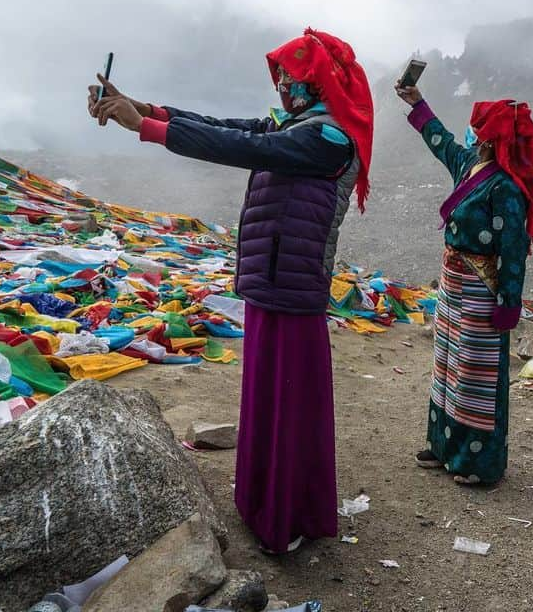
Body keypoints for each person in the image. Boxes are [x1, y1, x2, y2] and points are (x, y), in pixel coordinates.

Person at [88, 28, 373, 554]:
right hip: (271, 279)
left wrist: (144, 129)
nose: (283, 82)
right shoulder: (297, 124)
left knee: (288, 400)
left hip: (291, 283)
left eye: (292, 74)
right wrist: (139, 106)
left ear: (317, 79)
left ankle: (287, 518)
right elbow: (219, 125)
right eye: (281, 74)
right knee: (268, 396)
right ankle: (264, 504)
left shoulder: (328, 137)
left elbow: (240, 146)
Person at [394, 83, 533, 486]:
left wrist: (508, 304)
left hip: (481, 288)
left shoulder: (508, 188)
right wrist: (418, 103)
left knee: (475, 372)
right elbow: (441, 142)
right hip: (453, 283)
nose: (472, 136)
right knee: (447, 363)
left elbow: (513, 249)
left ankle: (478, 463)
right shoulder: (471, 168)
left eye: (480, 132)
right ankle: (443, 447)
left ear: (494, 139)